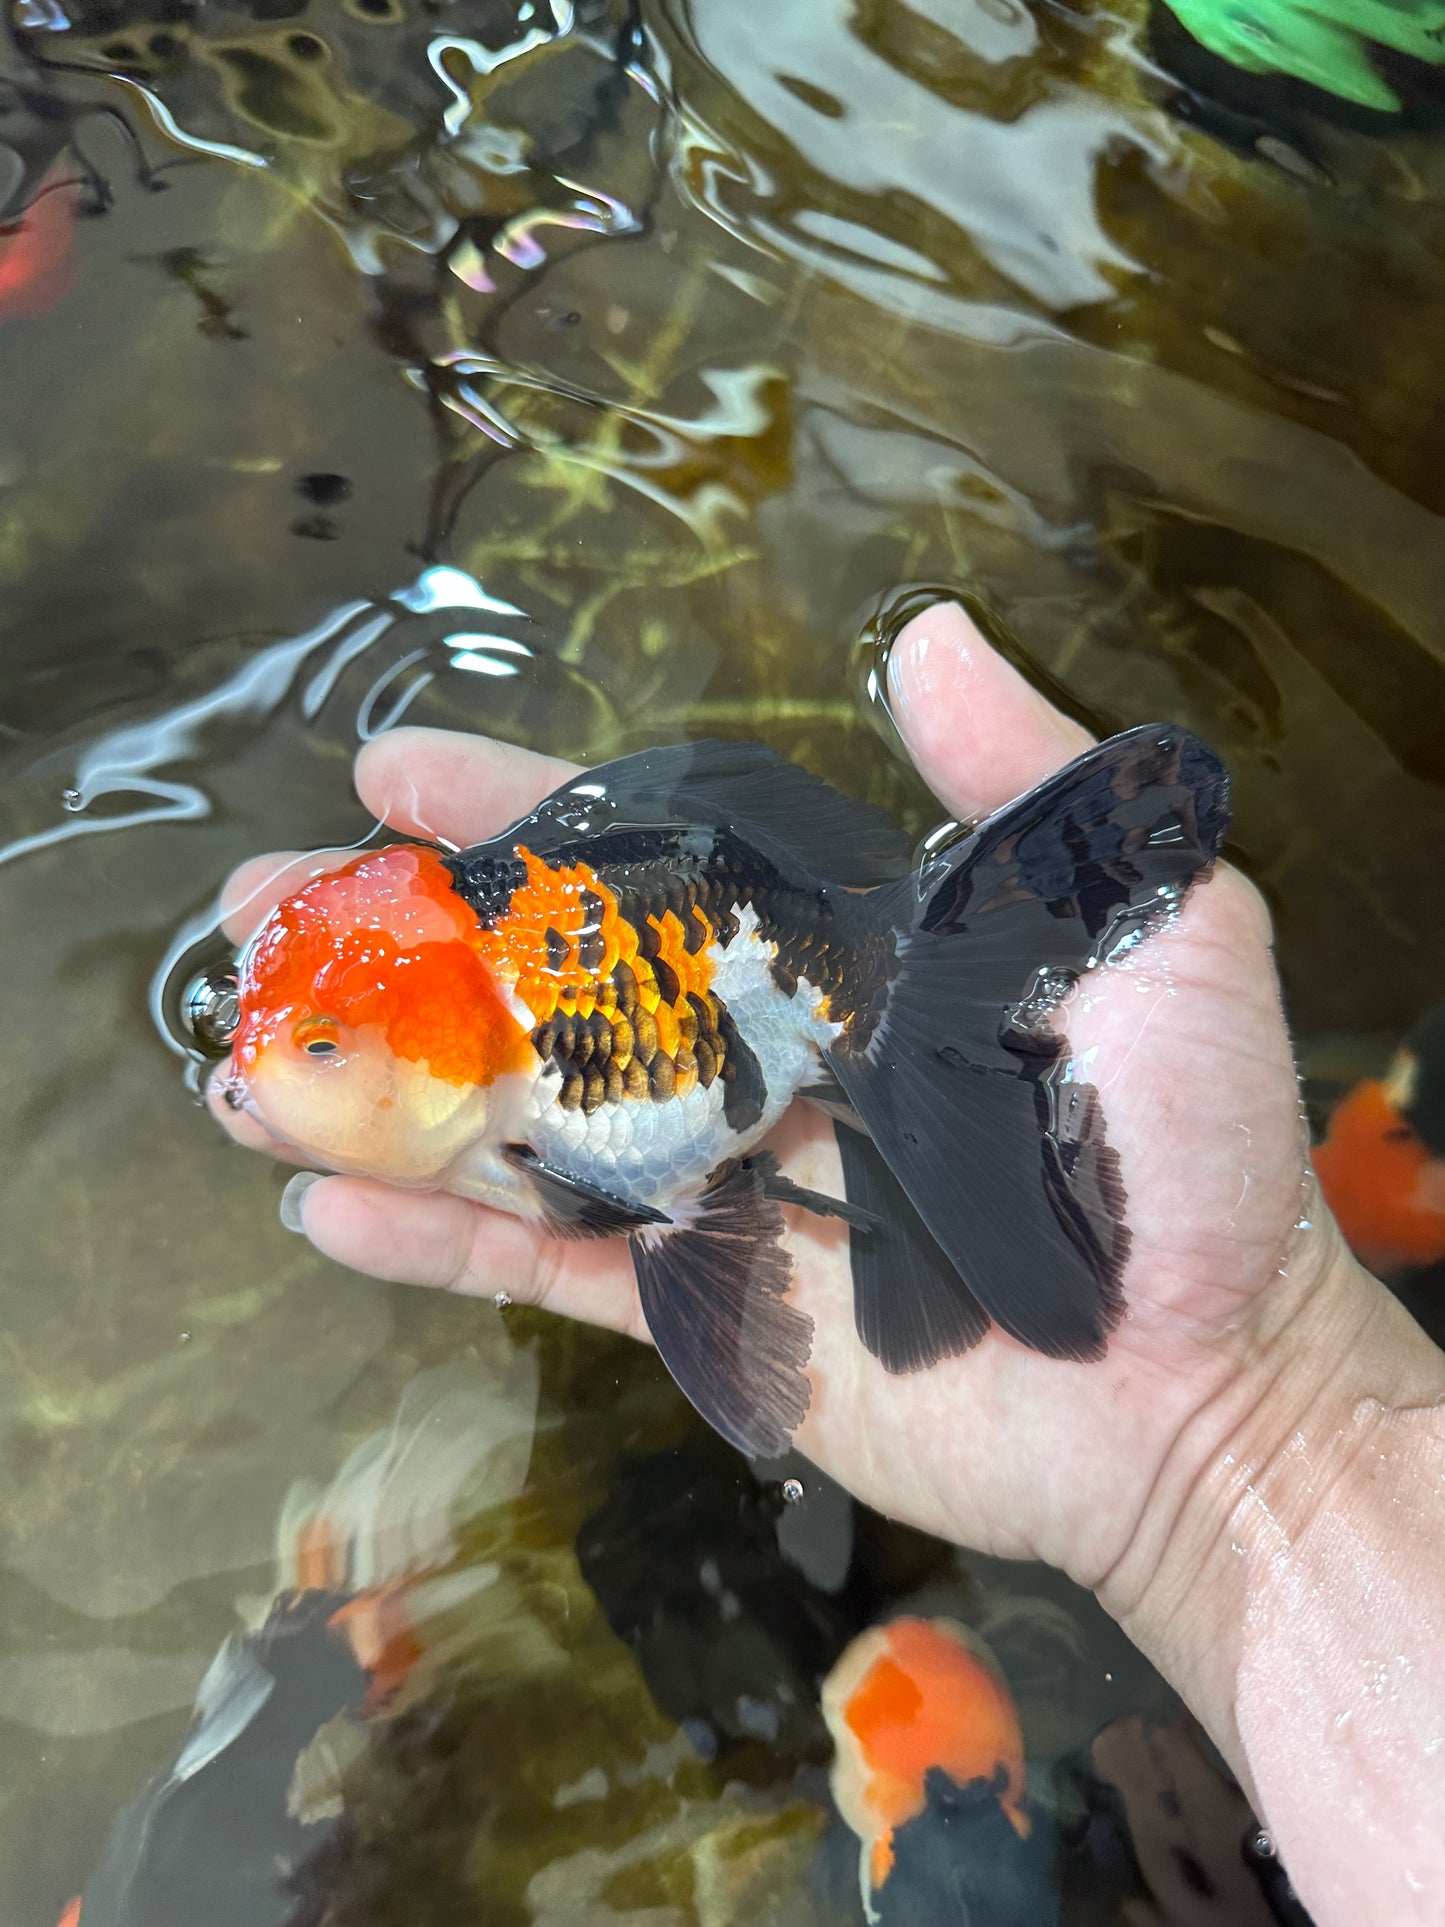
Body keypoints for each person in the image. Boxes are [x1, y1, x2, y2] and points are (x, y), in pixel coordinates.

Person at [212, 600, 1445, 1926]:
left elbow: (636, 1193)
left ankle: (924, 1015)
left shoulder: (554, 1069)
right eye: (273, 1047)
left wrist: (1242, 1420)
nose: (253, 1077)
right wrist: (1252, 1441)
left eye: (322, 1052)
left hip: (764, 983)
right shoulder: (504, 1091)